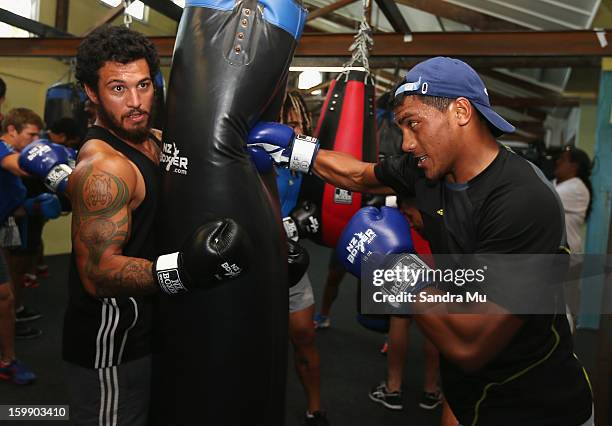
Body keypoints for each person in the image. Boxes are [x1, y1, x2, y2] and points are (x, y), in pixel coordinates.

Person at [247, 57, 593, 425]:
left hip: (536, 401)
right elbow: (362, 176)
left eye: (413, 124)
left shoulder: (522, 200)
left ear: (461, 111)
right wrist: (294, 150)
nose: (407, 143)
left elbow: (471, 344)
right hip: (466, 388)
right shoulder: (429, 170)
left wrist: (396, 269)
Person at [18, 26, 250, 425]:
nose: (137, 102)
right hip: (111, 344)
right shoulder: (105, 167)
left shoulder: (156, 141)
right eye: (118, 89)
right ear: (92, 92)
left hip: (153, 328)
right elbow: (97, 274)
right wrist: (185, 270)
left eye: (143, 85)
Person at [278, 91, 329, 426]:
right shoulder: (253, 156)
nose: (292, 131)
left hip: (291, 263)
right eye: (285, 124)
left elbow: (315, 210)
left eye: (297, 124)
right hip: (252, 262)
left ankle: (315, 408)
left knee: (304, 335)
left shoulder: (302, 163)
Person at [369, 196, 443, 412]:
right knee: (435, 326)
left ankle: (394, 388)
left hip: (407, 252)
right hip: (436, 255)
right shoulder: (445, 179)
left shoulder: (406, 173)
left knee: (399, 320)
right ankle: (431, 389)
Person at [0, 109, 40, 383]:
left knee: (7, 294)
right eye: (32, 135)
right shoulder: (2, 148)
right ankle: (6, 361)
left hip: (4, 223)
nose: (36, 141)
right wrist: (47, 162)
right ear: (12, 130)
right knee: (5, 297)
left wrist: (30, 206)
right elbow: (16, 164)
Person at [553, 146, 592, 255]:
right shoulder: (558, 183)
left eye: (563, 159)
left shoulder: (576, 189)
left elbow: (541, 200)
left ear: (573, 166)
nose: (557, 161)